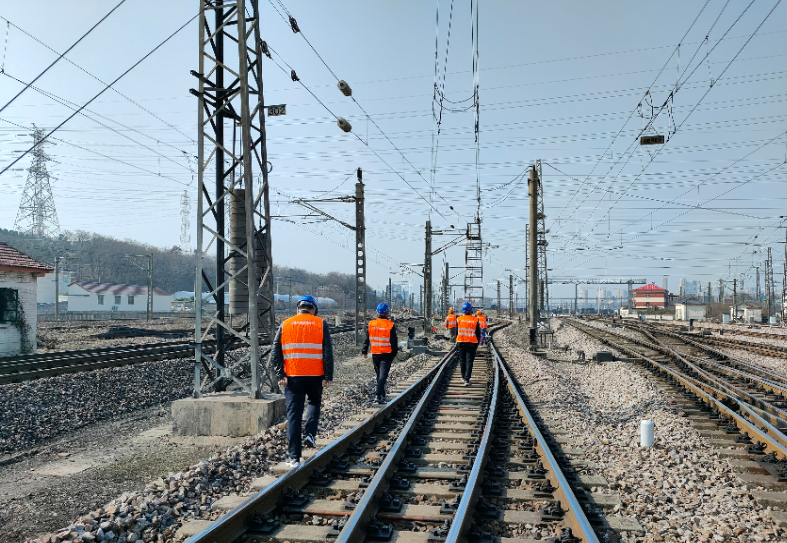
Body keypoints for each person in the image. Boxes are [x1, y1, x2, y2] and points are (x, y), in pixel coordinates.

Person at [271, 295, 334, 469]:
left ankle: (294, 457)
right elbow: (328, 351)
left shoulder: (286, 324)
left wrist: (280, 374)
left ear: (298, 309)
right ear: (314, 309)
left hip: (293, 377)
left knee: (294, 414)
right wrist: (328, 375)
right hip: (315, 375)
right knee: (314, 402)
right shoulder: (320, 323)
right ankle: (310, 435)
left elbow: (275, 350)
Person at [362, 302, 399, 404]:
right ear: (387, 313)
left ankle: (382, 395)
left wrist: (364, 350)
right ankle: (378, 395)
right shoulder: (390, 325)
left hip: (375, 353)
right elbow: (394, 342)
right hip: (386, 354)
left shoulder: (371, 324)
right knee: (383, 376)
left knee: (379, 375)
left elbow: (367, 339)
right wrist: (394, 354)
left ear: (377, 312)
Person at [456, 302, 481, 386]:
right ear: (471, 310)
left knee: (462, 360)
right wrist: (477, 343)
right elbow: (478, 333)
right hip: (472, 343)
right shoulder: (475, 320)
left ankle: (463, 377)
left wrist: (457, 341)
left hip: (461, 342)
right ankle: (467, 379)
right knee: (469, 361)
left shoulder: (459, 319)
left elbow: (456, 332)